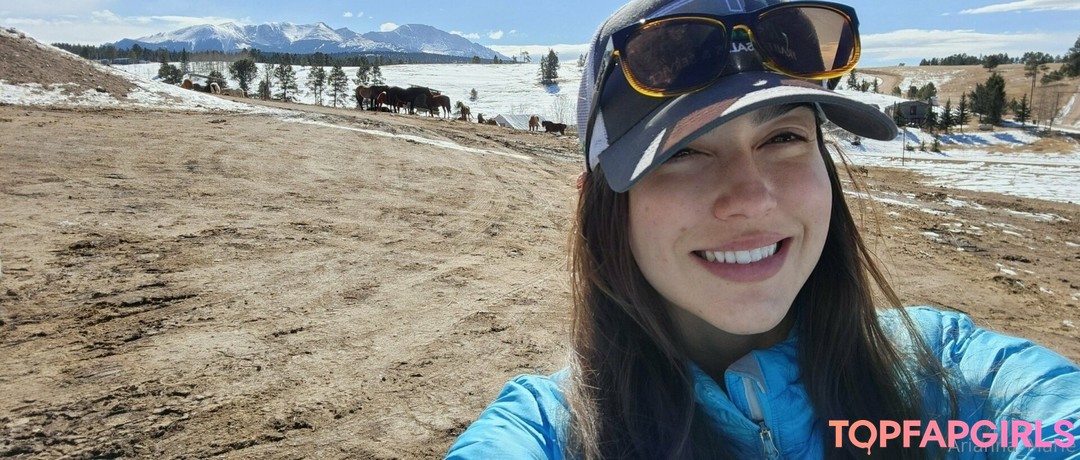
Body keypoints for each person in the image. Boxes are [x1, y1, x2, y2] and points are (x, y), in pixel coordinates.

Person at [446, 0, 1080, 458]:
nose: (752, 199)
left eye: (783, 138)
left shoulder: (943, 376)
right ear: (602, 205)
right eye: (682, 152)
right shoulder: (551, 433)